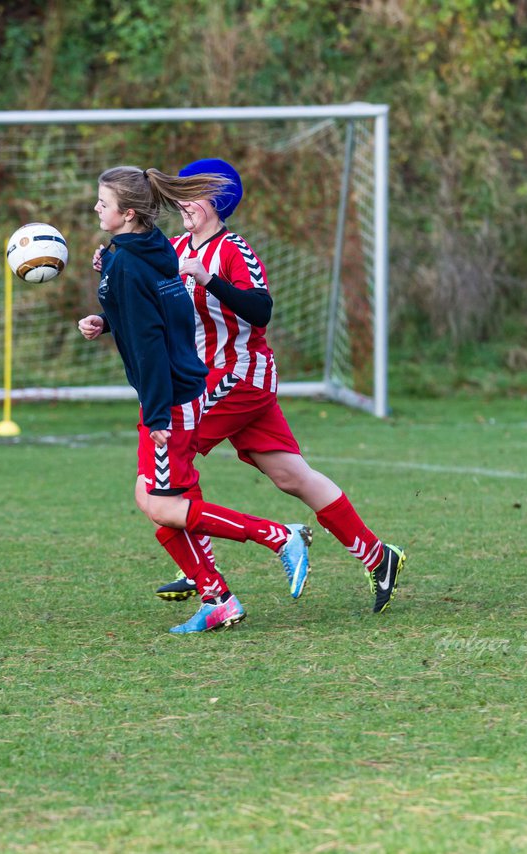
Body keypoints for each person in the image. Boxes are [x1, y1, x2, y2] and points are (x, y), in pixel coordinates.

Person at [85, 158, 407, 614]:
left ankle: (202, 571)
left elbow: (261, 310)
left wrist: (208, 278)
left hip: (238, 376)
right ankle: (378, 556)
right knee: (291, 476)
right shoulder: (172, 247)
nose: (183, 205)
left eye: (194, 198)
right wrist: (110, 283)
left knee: (168, 464)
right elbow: (149, 309)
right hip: (213, 379)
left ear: (219, 204)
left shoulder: (234, 250)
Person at [76, 165, 313, 634]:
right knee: (150, 497)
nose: (95, 209)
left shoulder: (126, 261)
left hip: (170, 398)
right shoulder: (152, 246)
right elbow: (164, 312)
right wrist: (109, 319)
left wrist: (160, 411)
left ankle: (278, 537)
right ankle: (216, 596)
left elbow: (148, 341)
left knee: (164, 506)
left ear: (126, 213)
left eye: (102, 203)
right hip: (180, 387)